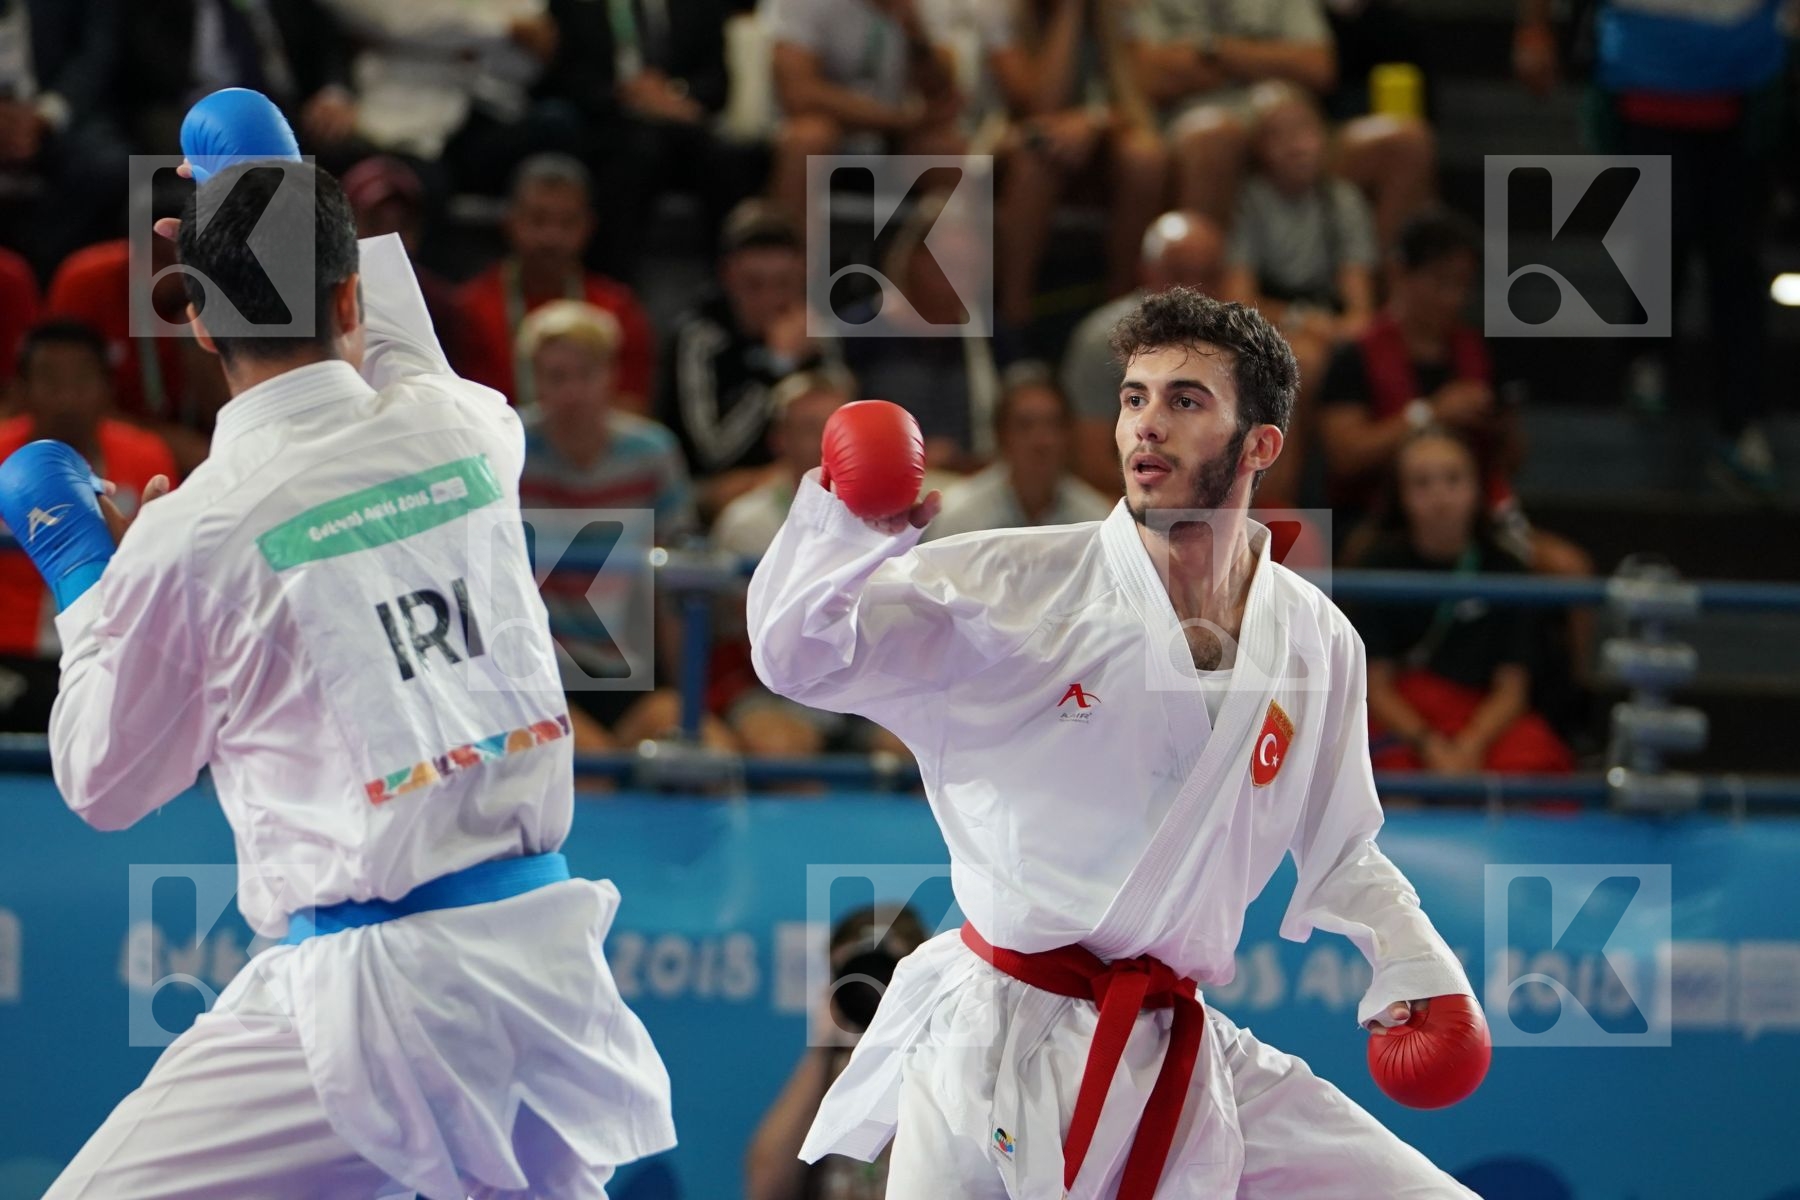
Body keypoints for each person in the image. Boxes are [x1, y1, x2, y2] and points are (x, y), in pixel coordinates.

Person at [0, 93, 673, 1198]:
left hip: (369, 992)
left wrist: (84, 578)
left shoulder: (196, 532)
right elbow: (396, 343)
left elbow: (101, 782)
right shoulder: (470, 427)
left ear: (198, 324)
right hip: (538, 959)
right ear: (349, 291)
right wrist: (283, 183)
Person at [748, 287, 1484, 1198]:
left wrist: (1417, 963)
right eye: (1135, 397)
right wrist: (850, 529)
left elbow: (1344, 849)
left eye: (1185, 400)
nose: (1147, 425)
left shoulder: (1316, 639)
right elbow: (796, 658)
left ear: (1260, 445)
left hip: (1174, 1045)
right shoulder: (1021, 583)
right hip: (996, 1046)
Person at [1515, 0, 1786, 493]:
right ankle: (1646, 358)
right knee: (1663, 231)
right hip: (1646, 78)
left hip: (1746, 81)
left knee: (1736, 261)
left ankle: (1742, 421)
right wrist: (1534, 28)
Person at [1353, 427, 1576, 776]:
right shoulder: (1375, 569)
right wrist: (1429, 744)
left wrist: (1470, 745)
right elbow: (1376, 688)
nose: (1440, 496)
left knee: (1537, 764)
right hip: (1405, 721)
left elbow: (1512, 689)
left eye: (1454, 479)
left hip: (1482, 721)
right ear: (1400, 495)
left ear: (1478, 489)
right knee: (1371, 773)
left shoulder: (1508, 570)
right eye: (1422, 483)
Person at [1128, 0, 1435, 249]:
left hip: (1295, 124)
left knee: (1405, 141)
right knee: (1215, 136)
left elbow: (1319, 67)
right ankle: (1199, 306)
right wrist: (1271, 59)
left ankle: (1383, 305)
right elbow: (1150, 76)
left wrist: (1213, 51)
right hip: (1196, 130)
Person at [1221, 80, 1378, 505]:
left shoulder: (1341, 201)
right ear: (1258, 149)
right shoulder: (1249, 202)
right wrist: (1300, 321)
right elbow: (1239, 303)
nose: (1295, 145)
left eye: (1304, 130)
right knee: (1299, 362)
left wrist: (1339, 328)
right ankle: (1281, 503)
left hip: (1326, 327)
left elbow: (1360, 310)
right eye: (1278, 135)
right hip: (1270, 328)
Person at [984, 0, 1168, 329]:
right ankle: (1013, 318)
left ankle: (1123, 311)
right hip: (1012, 140)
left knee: (1145, 158)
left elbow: (1136, 103)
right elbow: (1041, 105)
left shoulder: (1119, 11)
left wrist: (1094, 121)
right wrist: (1070, 11)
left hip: (1095, 141)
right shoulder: (1002, 11)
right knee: (1039, 159)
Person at [659, 200, 830, 524]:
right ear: (727, 276)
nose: (770, 299)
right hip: (713, 488)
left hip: (796, 478)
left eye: (783, 284)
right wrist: (777, 364)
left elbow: (839, 427)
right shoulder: (699, 338)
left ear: (803, 274)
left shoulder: (816, 334)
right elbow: (715, 452)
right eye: (753, 285)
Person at [746, 904, 929, 1200]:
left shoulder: (943, 1070)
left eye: (889, 974)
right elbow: (765, 1187)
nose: (874, 990)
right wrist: (821, 1050)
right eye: (856, 975)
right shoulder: (825, 1075)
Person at [457, 154, 656, 413]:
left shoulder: (618, 311)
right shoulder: (470, 309)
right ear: (510, 222)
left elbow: (630, 413)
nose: (551, 236)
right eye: (538, 219)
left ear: (588, 227)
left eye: (567, 222)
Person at [1061, 210, 1227, 496]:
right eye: (1178, 274)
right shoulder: (1101, 343)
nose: (1193, 290)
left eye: (1207, 276)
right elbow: (1091, 464)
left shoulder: (1238, 346)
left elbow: (1269, 465)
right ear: (1146, 271)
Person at [766, 0, 965, 222]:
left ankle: (956, 243)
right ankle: (789, 240)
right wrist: (897, 120)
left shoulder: (924, 7)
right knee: (808, 138)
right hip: (838, 128)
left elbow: (945, 98)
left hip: (898, 137)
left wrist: (914, 31)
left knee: (947, 150)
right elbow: (799, 94)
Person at [0, 0, 133, 283]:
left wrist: (43, 118)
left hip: (52, 114)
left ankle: (51, 280)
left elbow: (96, 52)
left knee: (107, 164)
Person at [925, 363, 1111, 540]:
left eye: (1053, 425)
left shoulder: (1096, 521)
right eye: (1025, 426)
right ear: (1000, 435)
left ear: (1069, 435)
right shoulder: (960, 517)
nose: (1041, 441)